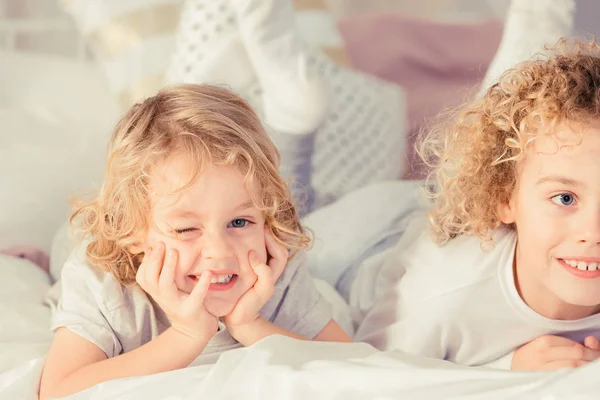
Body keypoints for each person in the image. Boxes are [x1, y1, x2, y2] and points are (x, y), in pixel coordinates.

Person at [39, 84, 351, 399]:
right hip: (95, 246)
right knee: (62, 251)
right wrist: (186, 335)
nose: (219, 252)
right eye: (186, 229)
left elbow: (356, 368)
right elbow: (56, 392)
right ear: (132, 231)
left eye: (240, 222)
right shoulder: (100, 281)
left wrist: (249, 325)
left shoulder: (277, 268)